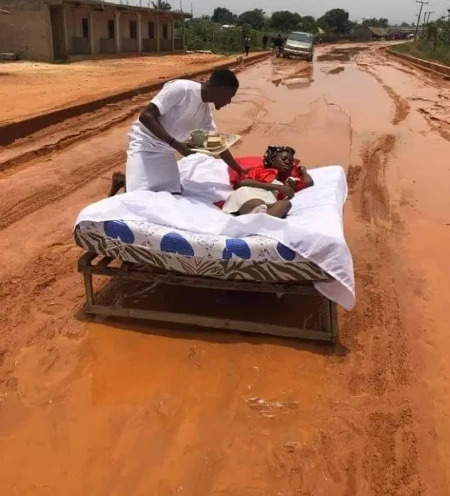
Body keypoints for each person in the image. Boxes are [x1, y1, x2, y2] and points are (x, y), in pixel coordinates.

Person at [122, 68, 247, 194]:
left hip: (165, 151)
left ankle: (123, 179)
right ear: (221, 89)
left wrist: (239, 170)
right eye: (230, 96)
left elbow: (218, 145)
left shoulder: (205, 113)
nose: (229, 102)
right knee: (139, 195)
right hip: (144, 145)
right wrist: (175, 144)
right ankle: (129, 179)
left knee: (173, 194)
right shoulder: (181, 89)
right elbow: (146, 115)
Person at [222, 146, 314, 218]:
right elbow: (242, 182)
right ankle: (258, 216)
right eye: (283, 158)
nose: (287, 162)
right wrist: (277, 187)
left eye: (291, 162)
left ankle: (260, 218)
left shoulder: (288, 180)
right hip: (250, 195)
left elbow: (308, 183)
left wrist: (303, 170)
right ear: (273, 160)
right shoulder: (259, 170)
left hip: (269, 204)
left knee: (286, 204)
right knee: (257, 202)